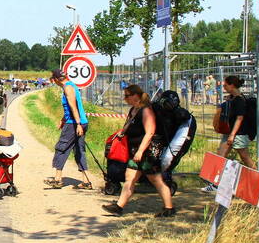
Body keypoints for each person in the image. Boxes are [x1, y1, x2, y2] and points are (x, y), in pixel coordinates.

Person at [103, 84, 176, 217]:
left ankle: (169, 208)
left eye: (127, 95)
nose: (125, 98)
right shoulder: (133, 110)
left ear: (136, 96)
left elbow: (150, 133)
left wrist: (140, 151)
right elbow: (127, 127)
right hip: (135, 152)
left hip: (146, 153)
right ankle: (118, 207)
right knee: (129, 179)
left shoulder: (146, 111)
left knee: (156, 181)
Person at [44, 68, 92, 190]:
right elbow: (70, 109)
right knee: (79, 151)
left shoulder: (67, 88)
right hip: (77, 122)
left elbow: (73, 106)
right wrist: (63, 119)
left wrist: (78, 124)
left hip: (74, 124)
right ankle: (86, 182)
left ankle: (57, 180)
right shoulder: (71, 85)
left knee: (61, 148)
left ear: (55, 80)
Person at [216, 75, 256, 169]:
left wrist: (232, 135)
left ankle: (257, 176)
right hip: (230, 133)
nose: (224, 87)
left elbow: (239, 118)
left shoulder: (239, 100)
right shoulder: (232, 98)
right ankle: (215, 179)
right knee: (220, 156)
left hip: (238, 134)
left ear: (232, 85)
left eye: (225, 85)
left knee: (245, 157)